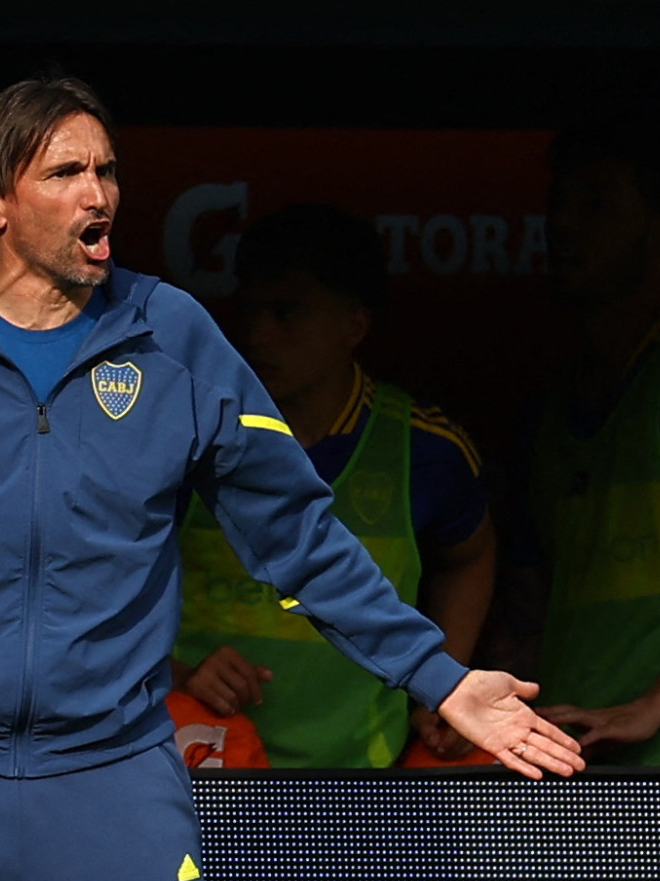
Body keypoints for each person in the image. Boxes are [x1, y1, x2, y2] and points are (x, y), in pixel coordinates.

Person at [0, 76, 583, 881]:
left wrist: (442, 678)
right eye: (64, 173)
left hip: (112, 779)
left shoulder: (171, 335)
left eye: (106, 170)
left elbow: (300, 540)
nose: (97, 194)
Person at [174, 204, 496, 768]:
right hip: (204, 776)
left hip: (359, 783)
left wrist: (443, 685)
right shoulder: (183, 434)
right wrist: (176, 672)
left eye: (287, 312)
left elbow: (470, 556)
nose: (257, 333)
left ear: (354, 323)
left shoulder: (425, 448)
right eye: (248, 310)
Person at [501, 119, 660, 764]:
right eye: (561, 202)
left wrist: (653, 706)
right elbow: (528, 604)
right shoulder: (551, 410)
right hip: (572, 760)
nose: (565, 225)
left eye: (598, 204)